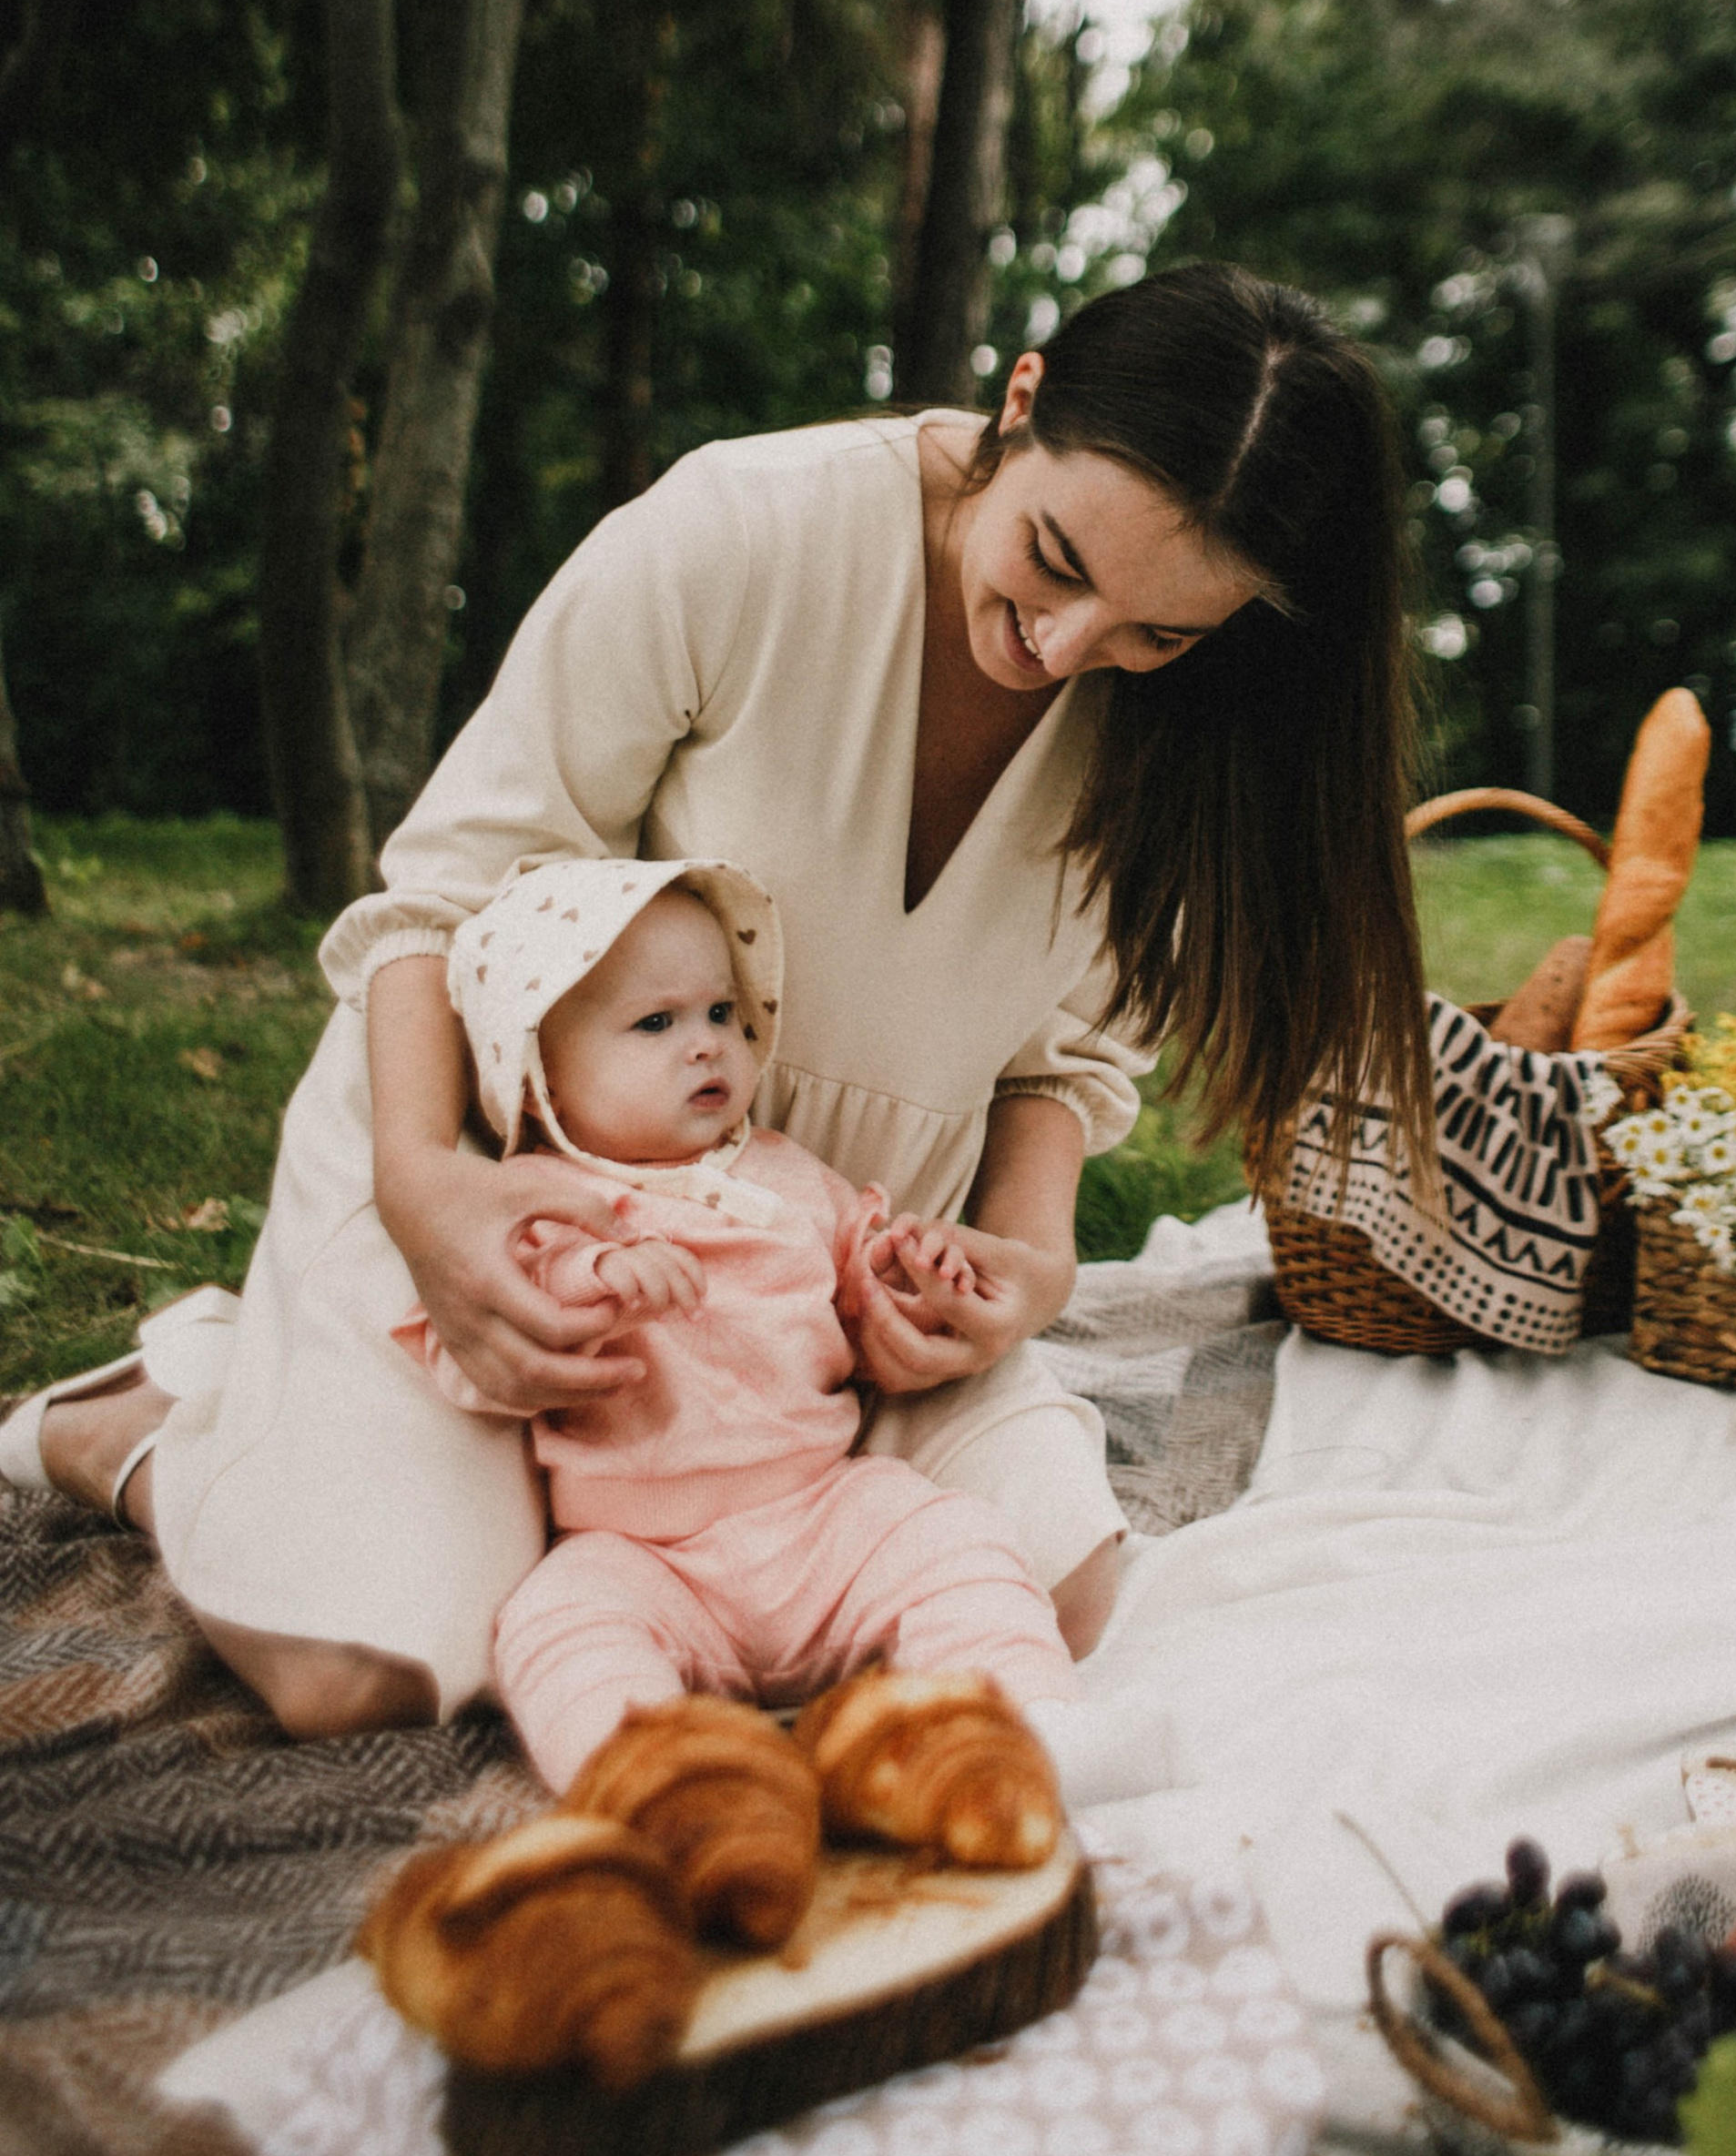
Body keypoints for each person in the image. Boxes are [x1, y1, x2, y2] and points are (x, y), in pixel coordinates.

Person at [8, 261, 1433, 1739]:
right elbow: (437, 901)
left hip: (818, 1297)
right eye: (1055, 559)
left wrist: (1025, 1263)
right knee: (363, 1674)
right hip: (523, 1211)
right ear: (1020, 401)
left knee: (1051, 1599)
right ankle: (154, 1420)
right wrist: (429, 1197)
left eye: (1158, 633)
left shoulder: (1200, 733)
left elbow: (1065, 1061)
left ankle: (374, 1448)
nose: (1067, 651)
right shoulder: (742, 530)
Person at [403, 857, 1075, 1796]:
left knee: (956, 1541)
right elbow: (474, 1356)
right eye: (656, 1023)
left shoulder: (785, 1172)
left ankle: (1024, 1737)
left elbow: (853, 1281)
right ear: (535, 1080)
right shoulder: (541, 1205)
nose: (706, 1045)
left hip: (820, 1514)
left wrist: (906, 1273)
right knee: (555, 1627)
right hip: (643, 1554)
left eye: (721, 1013)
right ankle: (662, 1792)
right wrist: (596, 1281)